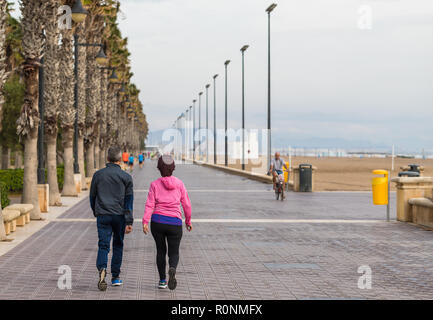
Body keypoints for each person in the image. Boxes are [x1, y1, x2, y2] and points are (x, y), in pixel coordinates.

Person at [142, 155, 192, 290]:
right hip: (175, 222)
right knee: (174, 252)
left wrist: (145, 221)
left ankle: (162, 280)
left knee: (160, 250)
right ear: (173, 167)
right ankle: (172, 268)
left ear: (159, 168)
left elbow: (149, 204)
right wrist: (188, 221)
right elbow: (186, 204)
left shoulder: (154, 184)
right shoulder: (180, 184)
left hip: (157, 222)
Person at [90, 146, 134, 291]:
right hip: (119, 216)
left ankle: (102, 269)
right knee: (118, 245)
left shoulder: (98, 175)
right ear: (120, 159)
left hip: (103, 215)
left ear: (107, 158)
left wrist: (96, 211)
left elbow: (92, 197)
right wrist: (129, 221)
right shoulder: (126, 177)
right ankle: (115, 277)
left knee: (103, 245)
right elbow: (129, 201)